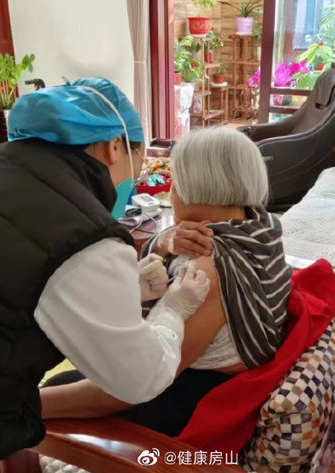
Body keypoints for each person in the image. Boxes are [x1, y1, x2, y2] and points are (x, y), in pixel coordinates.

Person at [0, 78, 210, 473]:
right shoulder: (83, 235)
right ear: (114, 146)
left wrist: (126, 287)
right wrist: (173, 309)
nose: (135, 178)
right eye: (138, 158)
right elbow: (139, 378)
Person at [40, 127, 293, 436]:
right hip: (197, 375)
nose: (171, 192)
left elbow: (137, 386)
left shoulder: (206, 269)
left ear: (191, 188)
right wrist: (163, 243)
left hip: (194, 397)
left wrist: (27, 406)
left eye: (175, 182)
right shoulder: (260, 225)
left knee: (49, 390)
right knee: (76, 375)